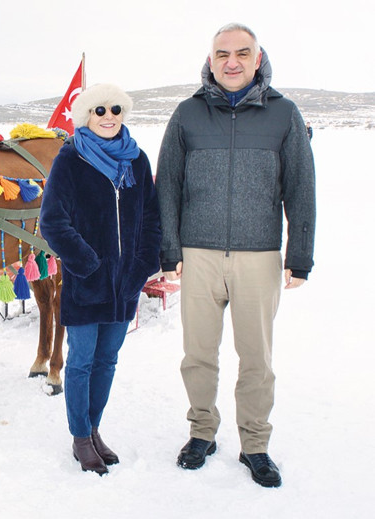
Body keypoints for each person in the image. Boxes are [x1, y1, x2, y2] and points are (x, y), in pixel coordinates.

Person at [155, 23, 316, 488]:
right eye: (222, 53)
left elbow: (301, 189)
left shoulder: (283, 114)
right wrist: (171, 249)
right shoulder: (187, 114)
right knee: (197, 355)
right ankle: (201, 433)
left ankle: (255, 444)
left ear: (258, 58)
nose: (232, 61)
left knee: (257, 359)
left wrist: (298, 255)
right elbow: (167, 186)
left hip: (259, 257)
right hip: (198, 254)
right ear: (210, 61)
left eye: (242, 53)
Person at [40, 84, 161, 475]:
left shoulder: (137, 160)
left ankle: (94, 429)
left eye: (115, 109)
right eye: (99, 110)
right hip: (86, 281)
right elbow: (53, 222)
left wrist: (140, 267)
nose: (109, 116)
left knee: (107, 360)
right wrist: (88, 265)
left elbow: (151, 220)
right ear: (85, 117)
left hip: (125, 285)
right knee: (81, 362)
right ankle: (80, 437)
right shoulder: (70, 160)